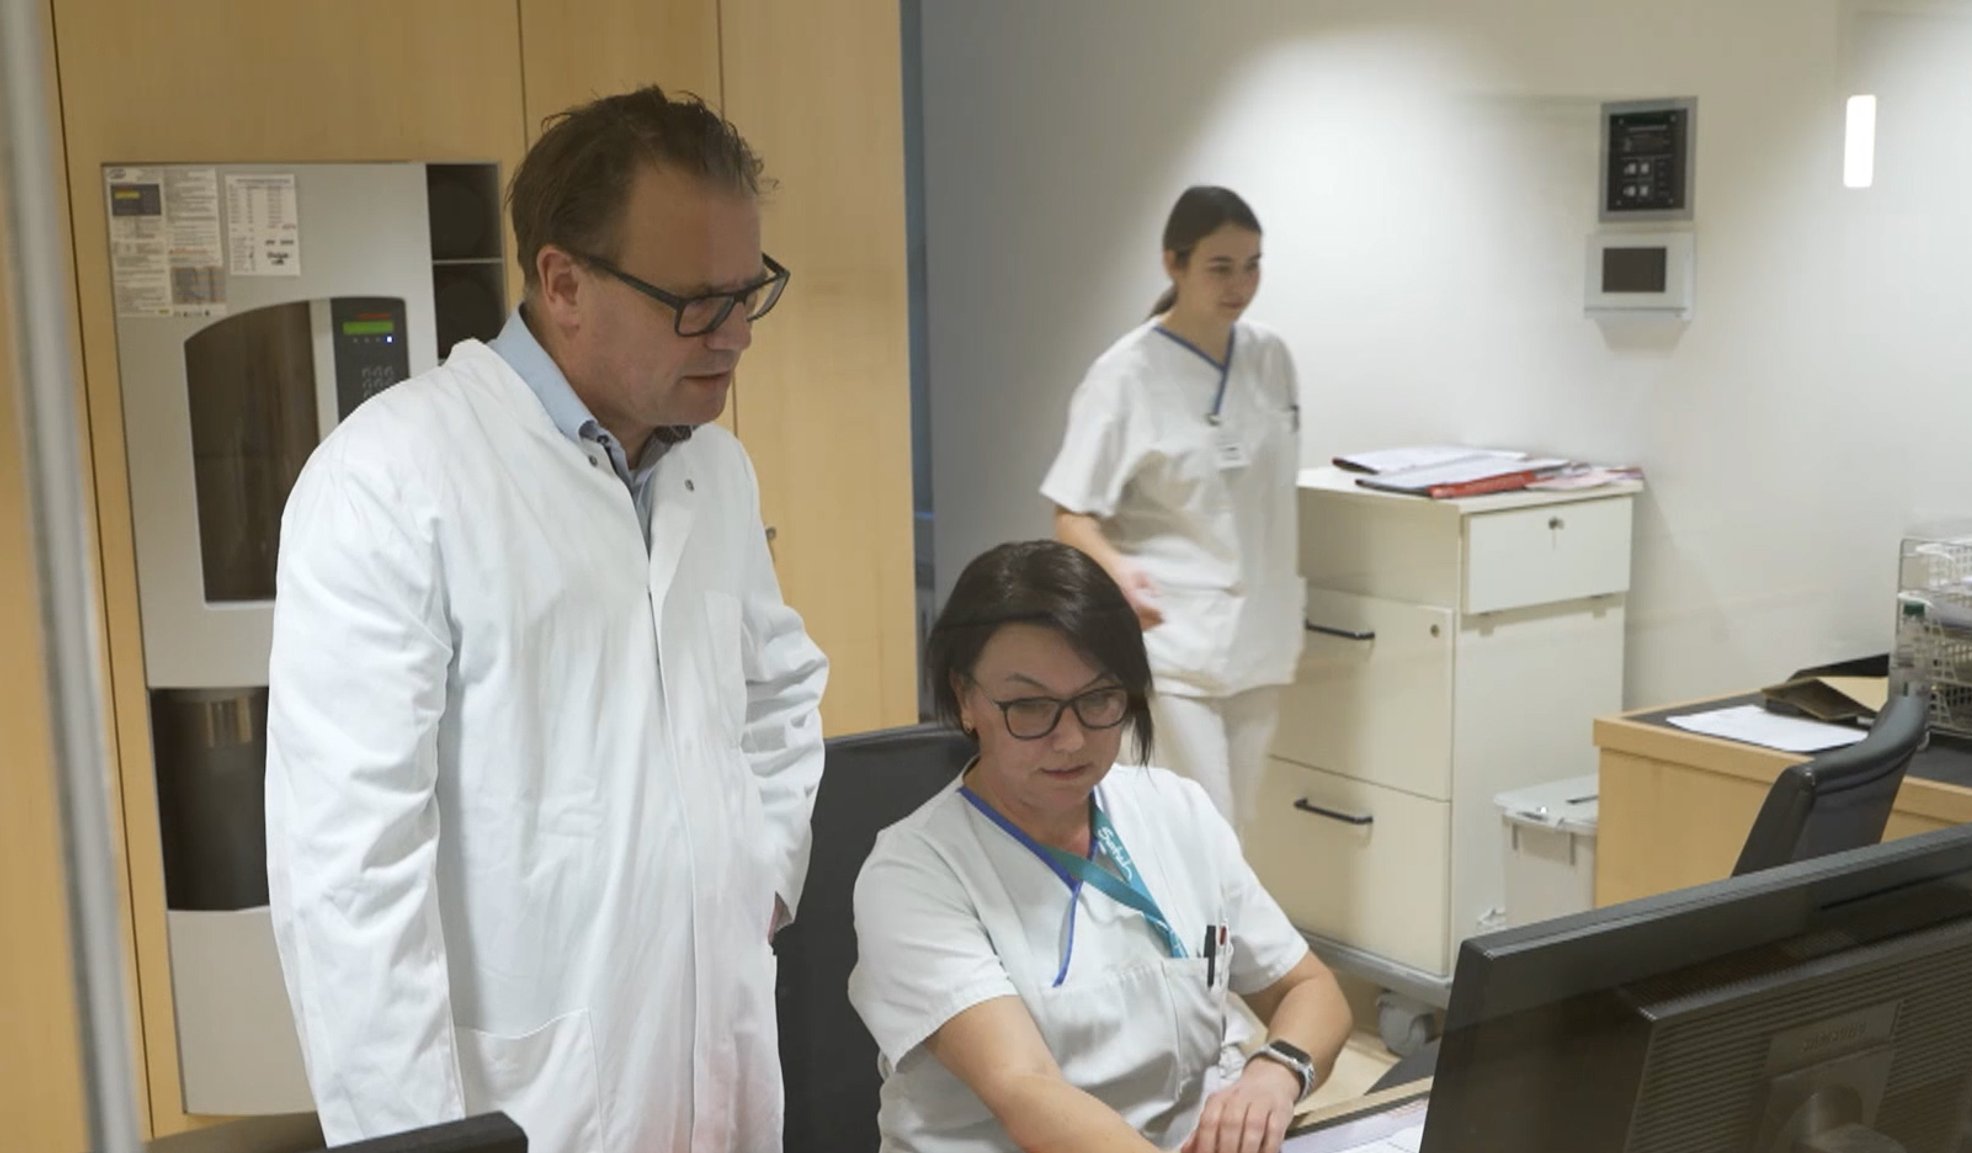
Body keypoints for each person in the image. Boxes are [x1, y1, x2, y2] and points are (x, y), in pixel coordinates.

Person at [264, 86, 829, 1153]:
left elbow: (777, 687)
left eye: (749, 291)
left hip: (716, 1062)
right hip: (529, 1095)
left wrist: (757, 875)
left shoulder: (713, 468)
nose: (737, 335)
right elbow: (348, 873)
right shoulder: (390, 481)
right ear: (564, 281)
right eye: (697, 301)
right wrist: (420, 1141)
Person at [849, 540, 1350, 1153]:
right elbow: (1026, 1090)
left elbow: (1310, 989)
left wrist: (1277, 1071)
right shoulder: (912, 873)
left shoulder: (1175, 811)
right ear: (965, 698)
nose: (1070, 739)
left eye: (1098, 700)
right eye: (1030, 707)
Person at [1041, 186, 1304, 829]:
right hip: (1174, 639)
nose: (1240, 283)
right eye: (1220, 266)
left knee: (1235, 831)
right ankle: (1194, 934)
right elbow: (1070, 514)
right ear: (1174, 264)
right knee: (1202, 830)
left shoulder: (1270, 358)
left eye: (1253, 265)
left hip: (1260, 640)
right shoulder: (1125, 375)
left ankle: (1209, 933)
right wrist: (1119, 571)